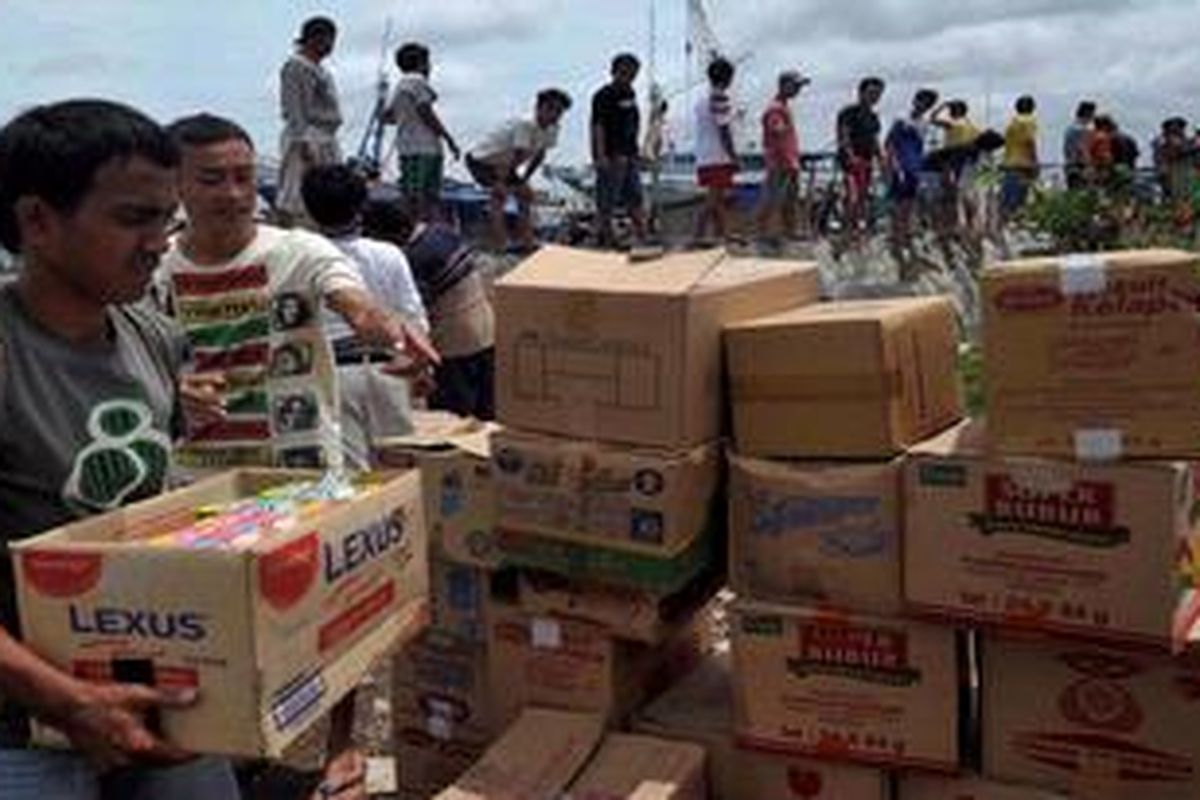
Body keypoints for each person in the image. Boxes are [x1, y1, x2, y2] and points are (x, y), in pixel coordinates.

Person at [0, 99, 239, 800]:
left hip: (158, 703)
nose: (160, 241)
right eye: (134, 218)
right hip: (22, 729)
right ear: (37, 221)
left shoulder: (152, 337)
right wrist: (68, 702)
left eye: (166, 220)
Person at [158, 113, 437, 475]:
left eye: (244, 177)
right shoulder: (153, 269)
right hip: (199, 481)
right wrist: (173, 393)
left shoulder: (301, 251)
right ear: (172, 184)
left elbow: (359, 307)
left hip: (300, 479)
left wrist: (394, 332)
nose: (234, 193)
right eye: (212, 180)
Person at [301, 163, 430, 457]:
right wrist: (419, 367)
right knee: (401, 472)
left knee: (354, 483)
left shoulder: (302, 258)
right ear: (362, 205)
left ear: (309, 209)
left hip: (332, 375)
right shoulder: (388, 254)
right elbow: (415, 319)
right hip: (390, 370)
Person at [362, 198, 496, 420]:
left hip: (454, 347)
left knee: (452, 421)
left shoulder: (415, 258)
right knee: (487, 413)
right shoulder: (442, 232)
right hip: (486, 332)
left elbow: (413, 314)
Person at [466, 88, 572, 253]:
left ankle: (526, 241)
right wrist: (500, 183)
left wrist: (524, 179)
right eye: (550, 108)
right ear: (539, 107)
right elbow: (514, 156)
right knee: (498, 198)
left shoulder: (553, 129)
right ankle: (500, 244)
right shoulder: (525, 124)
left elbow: (539, 156)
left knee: (526, 195)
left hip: (506, 163)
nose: (554, 114)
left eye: (559, 111)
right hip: (482, 160)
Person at [278, 16, 343, 227]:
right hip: (309, 135)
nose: (331, 46)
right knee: (298, 192)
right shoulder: (297, 66)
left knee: (324, 192)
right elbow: (295, 108)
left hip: (326, 136)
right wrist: (302, 141)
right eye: (328, 39)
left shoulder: (320, 70)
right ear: (313, 38)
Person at [383, 42, 460, 223]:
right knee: (421, 197)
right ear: (421, 63)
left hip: (412, 149)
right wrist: (448, 138)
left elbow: (387, 117)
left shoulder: (401, 86)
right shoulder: (416, 80)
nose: (430, 67)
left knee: (416, 195)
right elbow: (425, 110)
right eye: (428, 62)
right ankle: (419, 231)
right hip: (421, 148)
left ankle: (417, 230)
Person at [591, 53, 647, 248]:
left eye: (633, 73)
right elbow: (598, 126)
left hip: (629, 153)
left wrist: (636, 151)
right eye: (625, 72)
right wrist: (600, 155)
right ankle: (606, 238)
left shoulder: (630, 93)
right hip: (611, 154)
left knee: (635, 196)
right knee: (608, 198)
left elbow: (633, 123)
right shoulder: (603, 95)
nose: (629, 77)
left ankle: (643, 235)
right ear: (614, 71)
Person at [885, 88, 939, 275]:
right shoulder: (901, 119)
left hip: (915, 172)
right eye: (922, 101)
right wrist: (892, 167)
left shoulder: (925, 124)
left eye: (929, 103)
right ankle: (899, 258)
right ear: (915, 100)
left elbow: (921, 150)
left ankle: (908, 258)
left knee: (909, 216)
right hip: (901, 171)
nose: (924, 105)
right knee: (898, 217)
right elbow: (889, 144)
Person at [756, 70, 809, 248]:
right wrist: (790, 161)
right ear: (784, 85)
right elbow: (778, 135)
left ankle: (789, 232)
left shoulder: (783, 107)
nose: (798, 90)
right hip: (780, 163)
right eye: (795, 86)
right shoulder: (775, 109)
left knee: (788, 200)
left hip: (787, 161)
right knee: (773, 199)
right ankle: (764, 234)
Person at [693, 57, 739, 244]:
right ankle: (698, 234)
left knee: (717, 198)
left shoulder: (702, 101)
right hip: (718, 156)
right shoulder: (720, 97)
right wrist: (733, 155)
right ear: (727, 78)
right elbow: (723, 129)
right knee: (713, 199)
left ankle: (723, 234)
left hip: (704, 155)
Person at [836, 77, 887, 244]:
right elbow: (843, 136)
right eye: (872, 93)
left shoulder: (873, 117)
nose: (875, 97)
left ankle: (856, 230)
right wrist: (850, 155)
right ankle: (846, 232)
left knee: (862, 198)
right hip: (849, 162)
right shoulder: (847, 112)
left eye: (878, 94)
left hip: (866, 161)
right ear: (861, 92)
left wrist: (882, 160)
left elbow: (875, 141)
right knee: (852, 196)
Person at [1001, 95, 1039, 218]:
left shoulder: (1012, 122)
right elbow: (1030, 142)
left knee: (1008, 201)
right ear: (1032, 108)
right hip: (1023, 165)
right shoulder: (1028, 120)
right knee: (1019, 202)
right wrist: (1035, 162)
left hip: (1009, 163)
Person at [1062, 101, 1096, 190]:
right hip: (1080, 166)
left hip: (1069, 164)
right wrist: (1089, 166)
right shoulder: (1082, 130)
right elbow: (1083, 149)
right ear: (1088, 113)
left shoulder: (1070, 128)